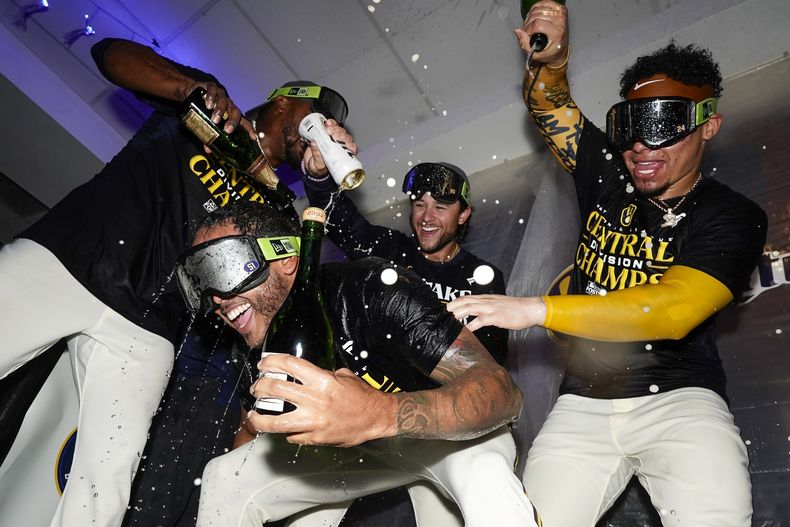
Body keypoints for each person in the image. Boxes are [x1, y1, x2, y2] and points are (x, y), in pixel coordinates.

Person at [0, 36, 353, 527]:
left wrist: (319, 182)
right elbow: (110, 54)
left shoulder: (276, 207)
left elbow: (294, 281)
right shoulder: (205, 109)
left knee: (103, 488)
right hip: (70, 260)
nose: (320, 130)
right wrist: (191, 87)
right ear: (283, 102)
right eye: (315, 116)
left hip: (150, 329)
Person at [447, 2, 767, 525]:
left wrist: (535, 310)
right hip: (582, 403)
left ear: (709, 125)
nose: (641, 145)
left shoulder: (731, 214)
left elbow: (673, 310)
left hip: (680, 399)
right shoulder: (608, 175)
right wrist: (552, 60)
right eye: (630, 125)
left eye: (664, 123)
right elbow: (550, 102)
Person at [171, 199, 541, 527]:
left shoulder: (370, 288)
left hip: (446, 435)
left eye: (223, 267)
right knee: (224, 476)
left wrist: (379, 413)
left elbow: (503, 393)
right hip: (351, 452)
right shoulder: (251, 345)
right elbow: (250, 432)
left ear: (285, 258)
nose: (216, 299)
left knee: (485, 477)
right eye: (200, 281)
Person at [302, 161, 509, 365]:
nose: (427, 217)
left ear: (463, 215)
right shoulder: (392, 250)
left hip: (447, 386)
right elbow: (344, 223)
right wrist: (318, 177)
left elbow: (491, 364)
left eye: (440, 207)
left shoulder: (484, 280)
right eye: (420, 205)